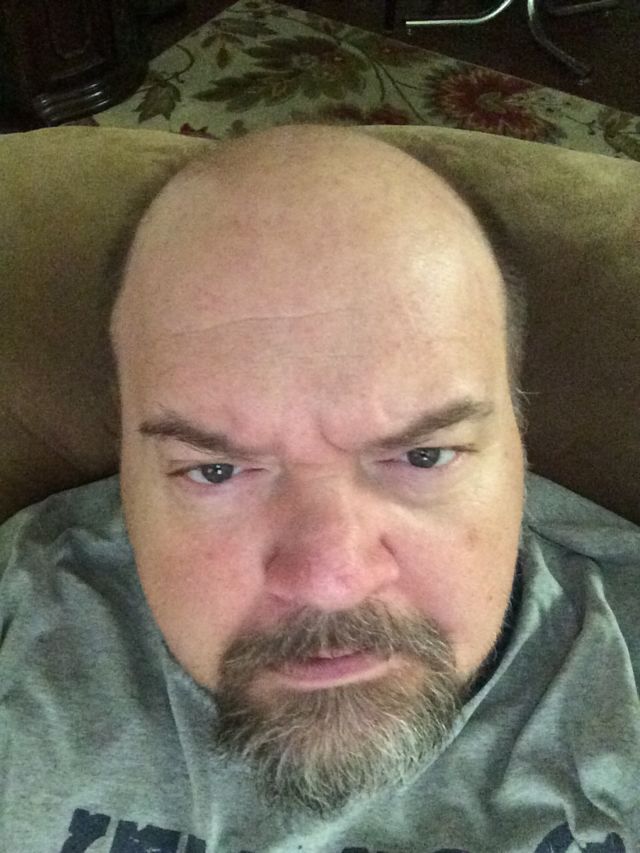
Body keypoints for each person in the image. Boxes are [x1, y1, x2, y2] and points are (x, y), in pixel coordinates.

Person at [0, 124, 638, 853]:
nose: (330, 580)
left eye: (424, 455)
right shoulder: (22, 616)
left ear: (519, 438)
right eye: (215, 470)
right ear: (126, 457)